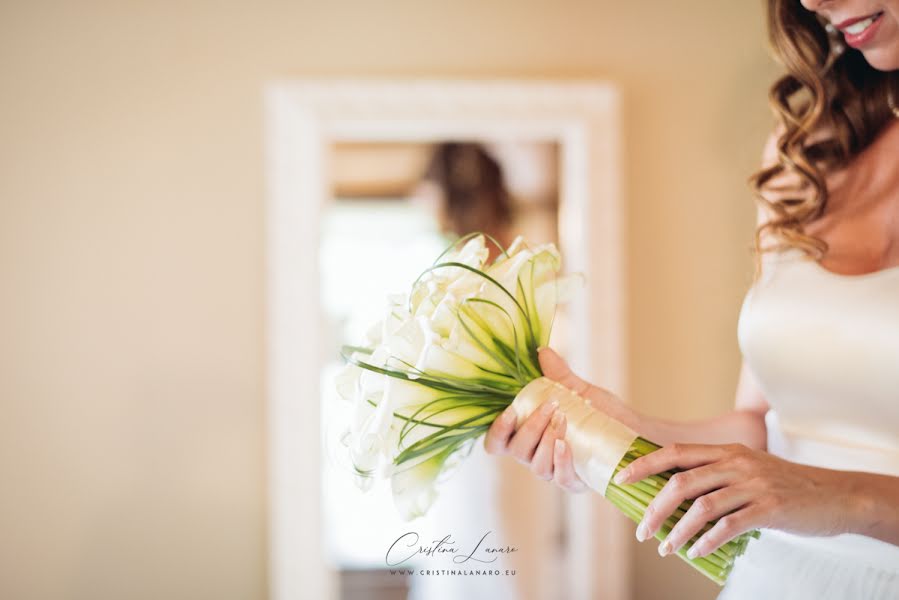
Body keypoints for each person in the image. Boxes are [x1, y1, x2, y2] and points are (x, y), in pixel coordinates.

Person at [484, 1, 899, 598]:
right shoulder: (806, 149)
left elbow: (796, 477)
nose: (813, 2)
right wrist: (615, 428)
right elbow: (762, 424)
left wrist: (834, 495)